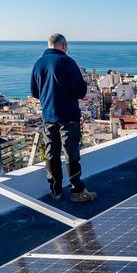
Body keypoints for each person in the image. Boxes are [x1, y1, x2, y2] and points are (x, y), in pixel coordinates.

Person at [30, 33, 96, 202]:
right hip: (68, 115)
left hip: (48, 116)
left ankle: (56, 190)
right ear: (64, 45)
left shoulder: (38, 64)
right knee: (71, 152)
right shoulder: (68, 62)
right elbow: (81, 92)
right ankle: (76, 190)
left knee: (51, 152)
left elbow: (34, 93)